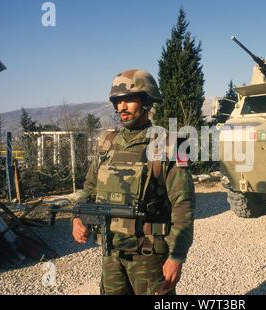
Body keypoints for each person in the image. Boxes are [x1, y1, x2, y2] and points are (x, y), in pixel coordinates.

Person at [71, 69, 195, 295]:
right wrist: (77, 217)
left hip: (150, 254)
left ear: (147, 101)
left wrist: (177, 256)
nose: (121, 107)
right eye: (118, 101)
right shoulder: (107, 142)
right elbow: (89, 188)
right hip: (111, 251)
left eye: (128, 99)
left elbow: (183, 205)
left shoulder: (170, 145)